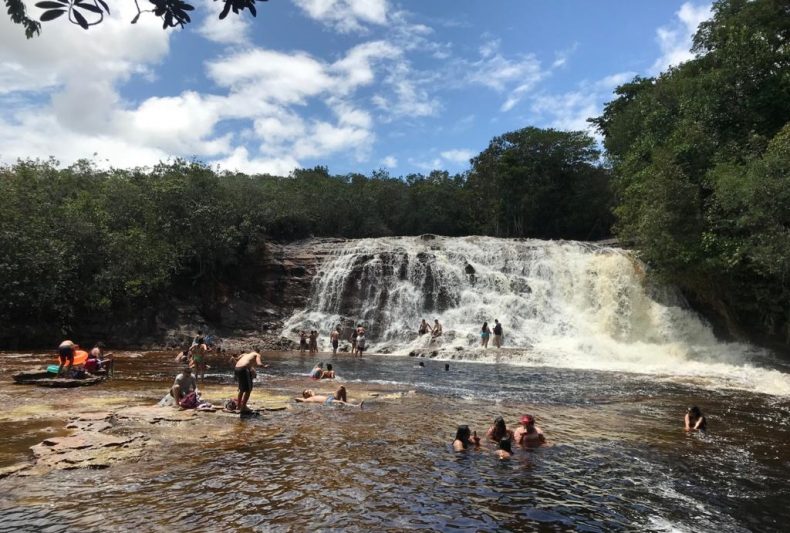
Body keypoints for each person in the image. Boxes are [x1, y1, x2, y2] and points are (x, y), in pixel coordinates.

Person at [295, 385, 363, 408]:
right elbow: (296, 399)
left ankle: (345, 403)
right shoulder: (307, 399)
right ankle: (356, 406)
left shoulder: (313, 395)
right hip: (328, 401)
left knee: (342, 387)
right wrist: (303, 398)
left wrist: (310, 392)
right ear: (305, 396)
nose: (309, 392)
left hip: (330, 397)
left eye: (308, 391)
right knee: (340, 402)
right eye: (307, 392)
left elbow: (312, 391)